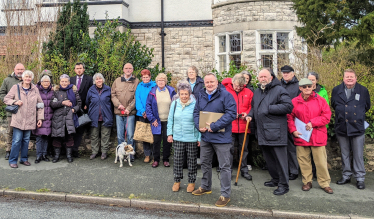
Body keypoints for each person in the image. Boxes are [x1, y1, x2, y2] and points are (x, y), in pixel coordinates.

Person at [192, 72, 236, 207]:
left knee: (224, 167)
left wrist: (215, 126)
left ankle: (225, 194)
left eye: (212, 82)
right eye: (207, 82)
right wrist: (200, 126)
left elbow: (231, 113)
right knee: (205, 163)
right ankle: (205, 186)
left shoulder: (226, 95)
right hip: (206, 137)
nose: (209, 84)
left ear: (217, 82)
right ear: (204, 83)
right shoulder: (201, 95)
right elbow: (195, 113)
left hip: (222, 138)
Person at [246, 68, 293, 195]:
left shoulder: (279, 90)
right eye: (260, 77)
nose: (262, 79)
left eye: (265, 77)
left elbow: (288, 106)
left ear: (271, 77)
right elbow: (254, 107)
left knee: (280, 160)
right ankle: (275, 179)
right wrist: (250, 114)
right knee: (269, 159)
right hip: (262, 131)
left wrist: (269, 108)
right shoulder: (257, 91)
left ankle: (284, 185)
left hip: (276, 132)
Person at [287, 78, 333, 194]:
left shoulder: (321, 101)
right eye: (304, 87)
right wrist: (293, 130)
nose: (307, 88)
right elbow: (289, 117)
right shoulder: (294, 101)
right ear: (300, 88)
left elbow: (327, 116)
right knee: (303, 160)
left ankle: (325, 183)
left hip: (317, 135)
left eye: (309, 86)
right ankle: (307, 181)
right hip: (301, 135)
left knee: (321, 161)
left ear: (313, 87)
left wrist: (313, 123)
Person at [331, 69, 371, 190]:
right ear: (343, 78)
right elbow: (334, 105)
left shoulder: (363, 90)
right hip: (342, 126)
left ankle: (360, 178)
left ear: (356, 78)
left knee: (358, 154)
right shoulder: (336, 90)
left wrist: (358, 116)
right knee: (345, 154)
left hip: (357, 127)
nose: (349, 78)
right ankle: (346, 175)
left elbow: (367, 106)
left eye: (351, 77)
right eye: (347, 76)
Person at [4, 70, 44, 168]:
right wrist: (15, 102)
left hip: (30, 119)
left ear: (32, 78)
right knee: (17, 140)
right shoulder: (16, 87)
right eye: (26, 76)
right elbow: (6, 99)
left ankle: (24, 159)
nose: (27, 79)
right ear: (22, 77)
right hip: (18, 118)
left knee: (26, 140)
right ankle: (13, 160)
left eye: (29, 77)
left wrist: (40, 118)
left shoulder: (35, 89)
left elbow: (40, 104)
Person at [167, 81, 201, 192]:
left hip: (192, 138)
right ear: (179, 94)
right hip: (177, 137)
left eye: (186, 94)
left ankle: (191, 182)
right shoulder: (174, 104)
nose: (184, 96)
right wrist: (169, 134)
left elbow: (199, 121)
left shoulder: (195, 104)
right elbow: (170, 120)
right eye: (182, 94)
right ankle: (177, 181)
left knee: (192, 161)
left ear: (190, 94)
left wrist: (199, 137)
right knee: (177, 161)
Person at [222, 74, 253, 180]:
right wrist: (230, 114)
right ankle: (228, 171)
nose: (239, 88)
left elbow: (251, 106)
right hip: (230, 125)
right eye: (237, 85)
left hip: (244, 125)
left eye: (241, 86)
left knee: (244, 149)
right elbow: (221, 106)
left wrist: (248, 114)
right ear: (232, 82)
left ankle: (243, 170)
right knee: (229, 149)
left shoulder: (249, 92)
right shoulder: (225, 91)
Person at [146, 73, 176, 168]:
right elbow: (148, 106)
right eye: (159, 80)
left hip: (168, 120)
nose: (161, 82)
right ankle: (156, 159)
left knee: (167, 141)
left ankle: (166, 159)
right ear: (156, 82)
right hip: (156, 121)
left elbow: (175, 105)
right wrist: (152, 119)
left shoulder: (171, 91)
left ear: (165, 81)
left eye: (163, 80)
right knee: (156, 141)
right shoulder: (152, 92)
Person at [111, 63, 140, 162]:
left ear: (132, 70)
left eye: (130, 68)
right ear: (123, 70)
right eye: (126, 68)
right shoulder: (117, 81)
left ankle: (130, 154)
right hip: (119, 112)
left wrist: (129, 108)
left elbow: (137, 97)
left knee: (130, 135)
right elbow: (113, 95)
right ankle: (121, 154)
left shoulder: (136, 81)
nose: (128, 70)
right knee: (120, 135)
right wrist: (118, 105)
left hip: (130, 114)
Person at [50, 74, 82, 163]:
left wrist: (73, 110)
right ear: (60, 82)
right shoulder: (56, 91)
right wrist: (62, 102)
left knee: (69, 137)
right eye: (62, 81)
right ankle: (56, 156)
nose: (64, 83)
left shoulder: (74, 91)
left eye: (66, 81)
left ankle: (69, 155)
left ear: (69, 82)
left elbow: (79, 104)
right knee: (57, 137)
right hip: (58, 118)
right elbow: (52, 104)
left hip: (70, 117)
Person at [0, 63, 24, 160]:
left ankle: (21, 151)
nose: (20, 71)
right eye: (18, 69)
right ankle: (8, 151)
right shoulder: (7, 80)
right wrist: (10, 102)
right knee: (10, 132)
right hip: (12, 111)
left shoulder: (28, 79)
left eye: (22, 69)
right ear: (14, 69)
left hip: (24, 112)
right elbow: (2, 94)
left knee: (22, 131)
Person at [86, 73, 113, 160]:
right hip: (94, 116)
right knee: (94, 135)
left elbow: (112, 103)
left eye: (100, 79)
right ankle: (94, 152)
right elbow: (87, 102)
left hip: (106, 116)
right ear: (94, 81)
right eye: (97, 79)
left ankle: (104, 152)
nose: (98, 80)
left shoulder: (108, 89)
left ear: (103, 80)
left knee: (105, 135)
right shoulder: (91, 90)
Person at [280, 65, 300, 180]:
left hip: (294, 120)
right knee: (281, 146)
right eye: (283, 73)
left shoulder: (298, 86)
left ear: (293, 73)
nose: (285, 74)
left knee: (292, 147)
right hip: (280, 119)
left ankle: (294, 170)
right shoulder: (279, 85)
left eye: (287, 73)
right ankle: (284, 169)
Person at [70, 62, 93, 158]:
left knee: (79, 131)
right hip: (72, 108)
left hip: (83, 109)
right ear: (74, 70)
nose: (79, 70)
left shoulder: (89, 79)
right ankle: (68, 150)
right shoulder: (70, 79)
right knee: (71, 129)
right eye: (77, 68)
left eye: (81, 68)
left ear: (84, 69)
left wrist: (87, 104)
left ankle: (75, 150)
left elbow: (91, 92)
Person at [135, 69, 156, 163]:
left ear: (150, 77)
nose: (145, 79)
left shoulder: (154, 86)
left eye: (147, 77)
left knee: (155, 135)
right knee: (145, 136)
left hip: (153, 114)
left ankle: (155, 155)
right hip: (142, 114)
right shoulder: (139, 87)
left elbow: (155, 99)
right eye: (143, 77)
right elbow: (138, 100)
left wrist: (150, 112)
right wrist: (143, 111)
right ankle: (147, 155)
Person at [33, 75, 54, 163]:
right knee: (39, 137)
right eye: (44, 81)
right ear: (41, 82)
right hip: (39, 118)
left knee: (46, 137)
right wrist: (38, 118)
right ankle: (38, 155)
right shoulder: (36, 91)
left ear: (50, 83)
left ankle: (44, 154)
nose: (46, 83)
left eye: (47, 81)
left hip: (49, 117)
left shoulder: (53, 92)